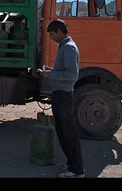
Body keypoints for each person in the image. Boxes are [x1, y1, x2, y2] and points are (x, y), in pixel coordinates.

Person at [37, 19, 85, 178]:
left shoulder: (69, 47)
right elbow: (65, 71)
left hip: (64, 95)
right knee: (63, 131)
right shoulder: (64, 46)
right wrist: (52, 71)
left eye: (52, 34)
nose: (51, 37)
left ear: (59, 31)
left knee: (68, 133)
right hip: (60, 94)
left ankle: (77, 170)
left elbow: (72, 74)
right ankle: (72, 164)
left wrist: (51, 74)